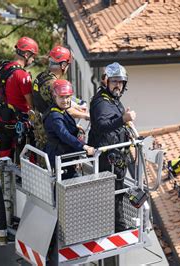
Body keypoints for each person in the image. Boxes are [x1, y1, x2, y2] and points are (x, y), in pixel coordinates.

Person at [88, 62, 136, 232]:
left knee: (118, 191)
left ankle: (117, 224)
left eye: (121, 82)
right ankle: (119, 227)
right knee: (114, 193)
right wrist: (123, 119)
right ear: (106, 81)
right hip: (108, 158)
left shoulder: (113, 100)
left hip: (116, 155)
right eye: (114, 81)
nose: (118, 85)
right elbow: (102, 125)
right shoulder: (102, 102)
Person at [32, 46, 88, 150]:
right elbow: (65, 108)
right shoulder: (52, 84)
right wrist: (86, 116)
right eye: (68, 64)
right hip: (49, 134)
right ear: (63, 65)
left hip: (39, 126)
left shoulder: (41, 76)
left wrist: (77, 106)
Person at [0, 36, 38, 159]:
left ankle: (2, 177)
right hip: (18, 122)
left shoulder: (4, 68)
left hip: (3, 119)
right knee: (27, 156)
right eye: (33, 56)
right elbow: (31, 105)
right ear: (27, 54)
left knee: (4, 154)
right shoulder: (22, 75)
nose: (33, 59)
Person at [43, 79, 94, 180]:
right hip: (60, 158)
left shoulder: (60, 110)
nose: (65, 100)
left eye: (67, 97)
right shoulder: (54, 116)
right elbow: (64, 135)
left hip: (64, 155)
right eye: (61, 97)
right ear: (55, 96)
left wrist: (75, 128)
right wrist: (84, 147)